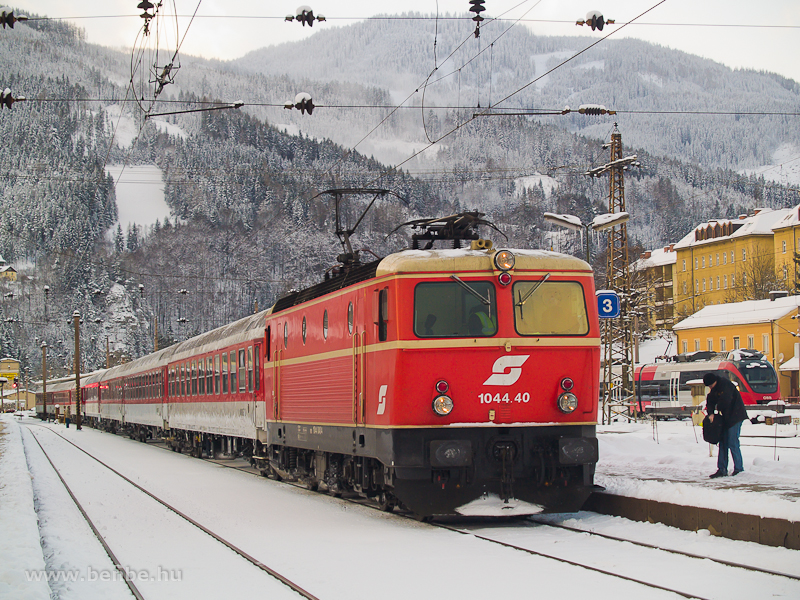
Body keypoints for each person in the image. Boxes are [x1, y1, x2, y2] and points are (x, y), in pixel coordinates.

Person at [704, 372, 748, 478]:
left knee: (732, 442)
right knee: (723, 443)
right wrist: (710, 413)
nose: (710, 387)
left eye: (710, 385)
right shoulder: (714, 389)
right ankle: (722, 469)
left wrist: (717, 408)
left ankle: (739, 469)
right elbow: (710, 401)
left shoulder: (725, 385)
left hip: (735, 417)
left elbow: (725, 400)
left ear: (714, 382)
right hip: (725, 418)